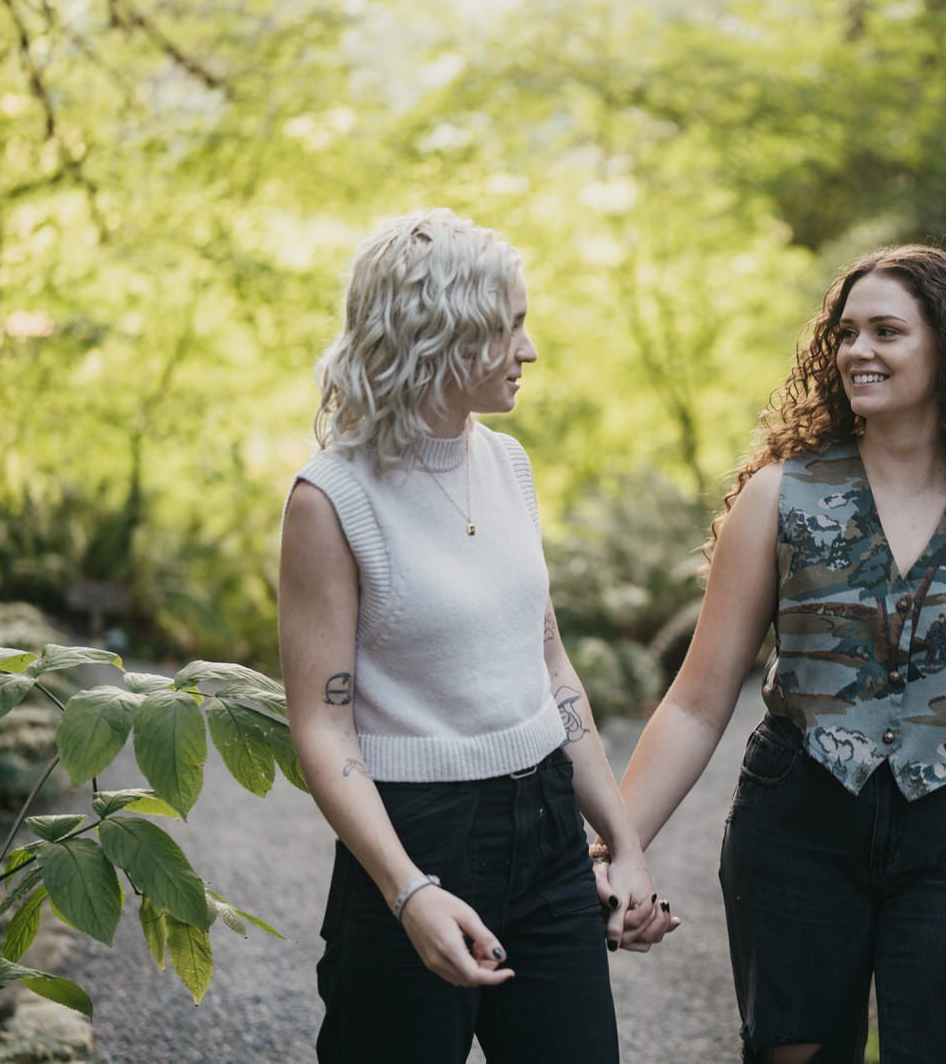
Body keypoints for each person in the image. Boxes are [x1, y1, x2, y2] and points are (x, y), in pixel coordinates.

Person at [605, 245, 946, 1062]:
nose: (858, 351)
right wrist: (618, 849)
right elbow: (697, 702)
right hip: (797, 823)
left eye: (886, 332)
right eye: (847, 333)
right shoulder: (778, 496)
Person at [278, 209, 672, 1063]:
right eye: (509, 327)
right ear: (437, 334)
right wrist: (409, 890)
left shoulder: (510, 466)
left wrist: (626, 842)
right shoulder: (330, 499)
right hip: (414, 834)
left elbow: (549, 663)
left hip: (547, 828)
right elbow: (321, 724)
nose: (529, 350)